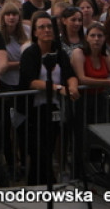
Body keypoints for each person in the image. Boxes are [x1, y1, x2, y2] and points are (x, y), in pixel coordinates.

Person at [19, 11, 80, 186]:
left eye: (49, 27)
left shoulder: (59, 52)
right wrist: (57, 88)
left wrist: (73, 87)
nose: (46, 30)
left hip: (54, 108)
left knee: (50, 147)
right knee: (38, 151)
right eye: (42, 27)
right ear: (35, 32)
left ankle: (44, 184)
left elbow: (70, 74)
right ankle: (41, 185)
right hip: (34, 110)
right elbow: (30, 81)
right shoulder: (31, 53)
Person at [70, 22, 110, 124]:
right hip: (82, 100)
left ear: (104, 38)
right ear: (86, 38)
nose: (96, 39)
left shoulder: (104, 55)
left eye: (100, 36)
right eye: (93, 35)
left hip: (100, 99)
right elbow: (82, 78)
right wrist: (109, 82)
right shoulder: (79, 53)